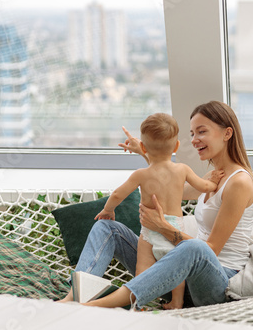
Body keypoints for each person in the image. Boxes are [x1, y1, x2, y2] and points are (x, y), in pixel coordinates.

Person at [58, 101, 253, 310]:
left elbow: (211, 250)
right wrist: (146, 151)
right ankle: (75, 296)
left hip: (215, 283)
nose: (195, 140)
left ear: (227, 133)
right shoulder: (212, 178)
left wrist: (162, 226)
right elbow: (168, 183)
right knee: (107, 228)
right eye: (191, 134)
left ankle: (98, 307)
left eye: (202, 131)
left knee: (195, 246)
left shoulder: (239, 183)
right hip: (178, 275)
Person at [93, 113, 224, 309]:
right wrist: (213, 182)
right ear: (177, 146)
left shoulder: (141, 174)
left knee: (143, 266)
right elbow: (203, 186)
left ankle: (138, 302)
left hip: (149, 230)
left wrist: (108, 210)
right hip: (173, 228)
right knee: (177, 268)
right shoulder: (182, 169)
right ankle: (177, 302)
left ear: (144, 148)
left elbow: (118, 194)